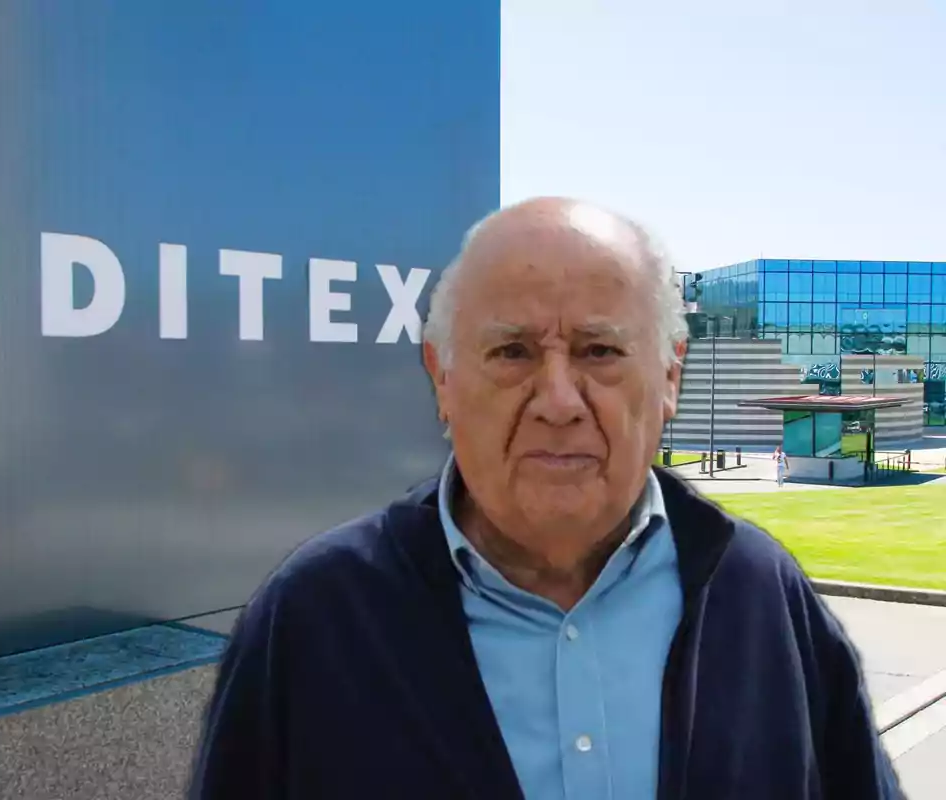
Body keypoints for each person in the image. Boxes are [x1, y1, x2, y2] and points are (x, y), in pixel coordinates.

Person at [189, 198, 901, 799]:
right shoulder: (314, 615)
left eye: (598, 351)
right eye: (512, 353)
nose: (558, 402)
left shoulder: (758, 591)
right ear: (442, 377)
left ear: (670, 378)